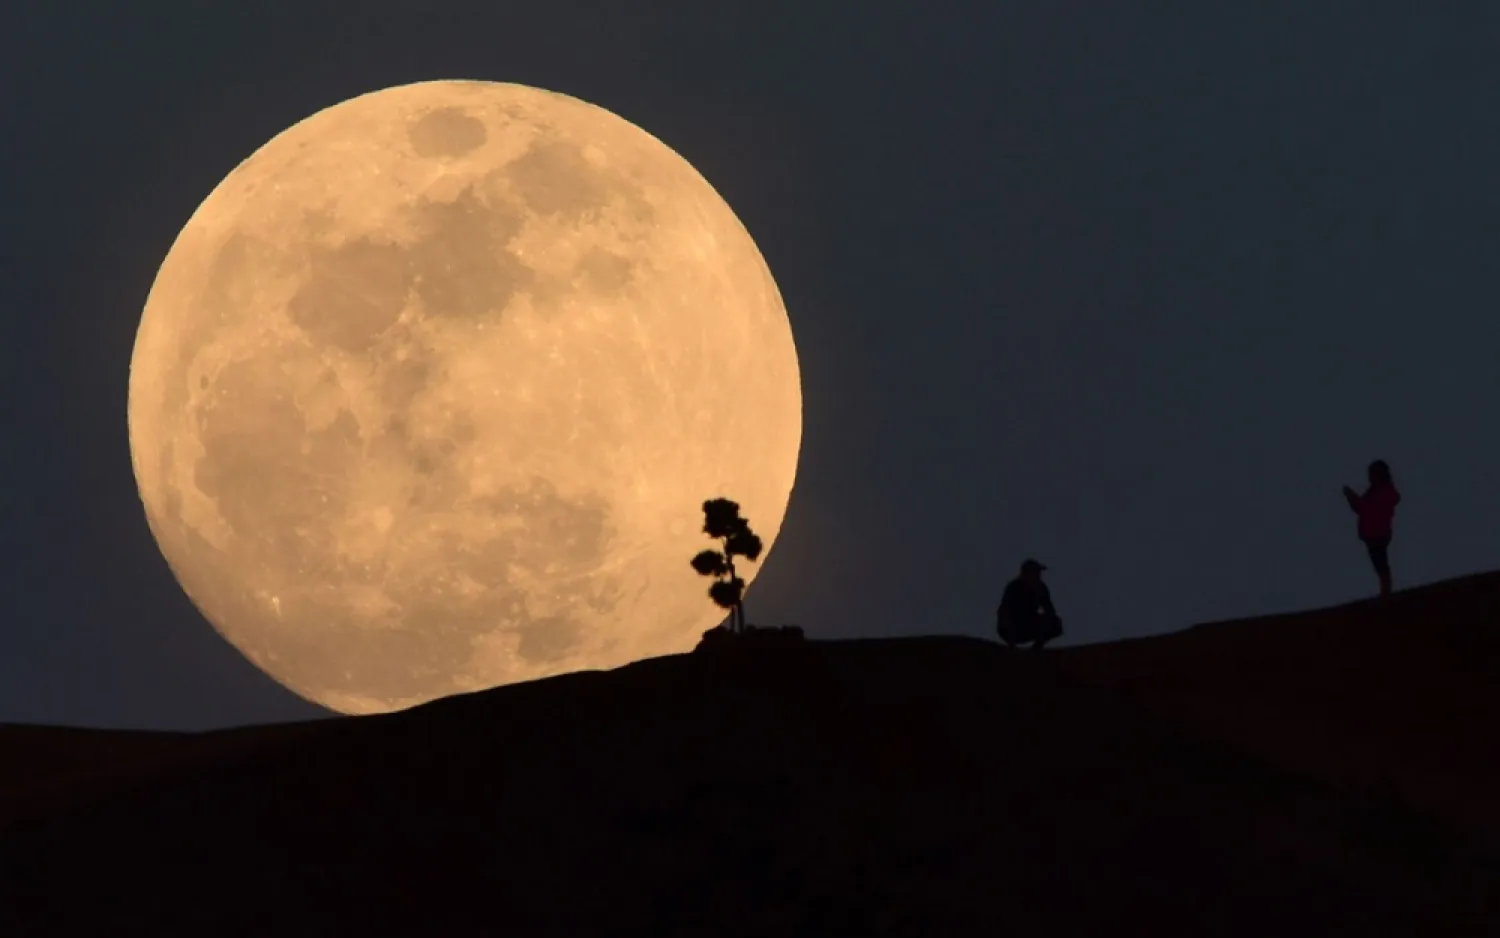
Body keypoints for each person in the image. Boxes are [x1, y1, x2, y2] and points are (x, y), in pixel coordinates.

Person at [1343, 459, 1401, 597]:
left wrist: (1351, 497)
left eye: (1372, 474)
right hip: (1372, 533)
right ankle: (1385, 588)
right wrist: (1351, 497)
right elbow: (1361, 507)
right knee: (1378, 562)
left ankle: (1386, 590)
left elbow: (1365, 507)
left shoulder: (1383, 491)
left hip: (1378, 533)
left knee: (1380, 562)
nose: (1369, 477)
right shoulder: (1374, 492)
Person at [996, 558, 1063, 651]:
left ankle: (1035, 650)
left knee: (1055, 623)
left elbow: (1050, 611)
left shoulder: (1041, 588)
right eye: (1035, 573)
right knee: (1007, 623)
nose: (1038, 576)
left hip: (1029, 623)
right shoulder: (1014, 587)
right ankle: (1012, 650)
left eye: (1038, 573)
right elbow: (1004, 611)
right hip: (1014, 624)